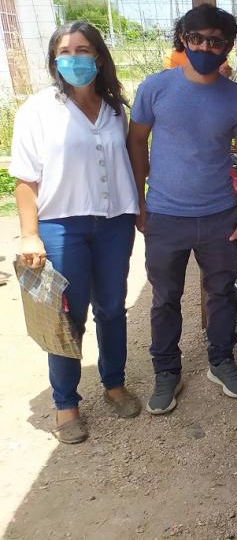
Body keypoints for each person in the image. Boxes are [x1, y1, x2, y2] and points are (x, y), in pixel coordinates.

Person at [11, 22, 140, 443]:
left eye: (83, 50)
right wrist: (29, 235)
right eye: (64, 51)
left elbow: (133, 162)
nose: (74, 58)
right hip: (62, 225)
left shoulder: (116, 109)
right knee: (66, 314)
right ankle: (66, 404)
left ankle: (114, 383)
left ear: (99, 57)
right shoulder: (38, 109)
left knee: (112, 308)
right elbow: (25, 179)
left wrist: (139, 207)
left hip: (114, 223)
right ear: (54, 61)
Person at [128, 4, 237, 414]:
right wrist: (140, 200)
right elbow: (135, 143)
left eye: (216, 41)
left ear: (228, 47)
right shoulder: (156, 88)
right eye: (197, 38)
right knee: (165, 296)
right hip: (165, 215)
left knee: (221, 292)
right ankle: (167, 371)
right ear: (183, 38)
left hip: (220, 214)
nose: (205, 47)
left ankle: (221, 361)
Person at [164, 17, 232, 79]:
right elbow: (172, 80)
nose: (204, 47)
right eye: (195, 37)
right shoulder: (171, 57)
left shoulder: (214, 53)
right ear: (181, 37)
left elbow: (225, 71)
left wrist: (226, 72)